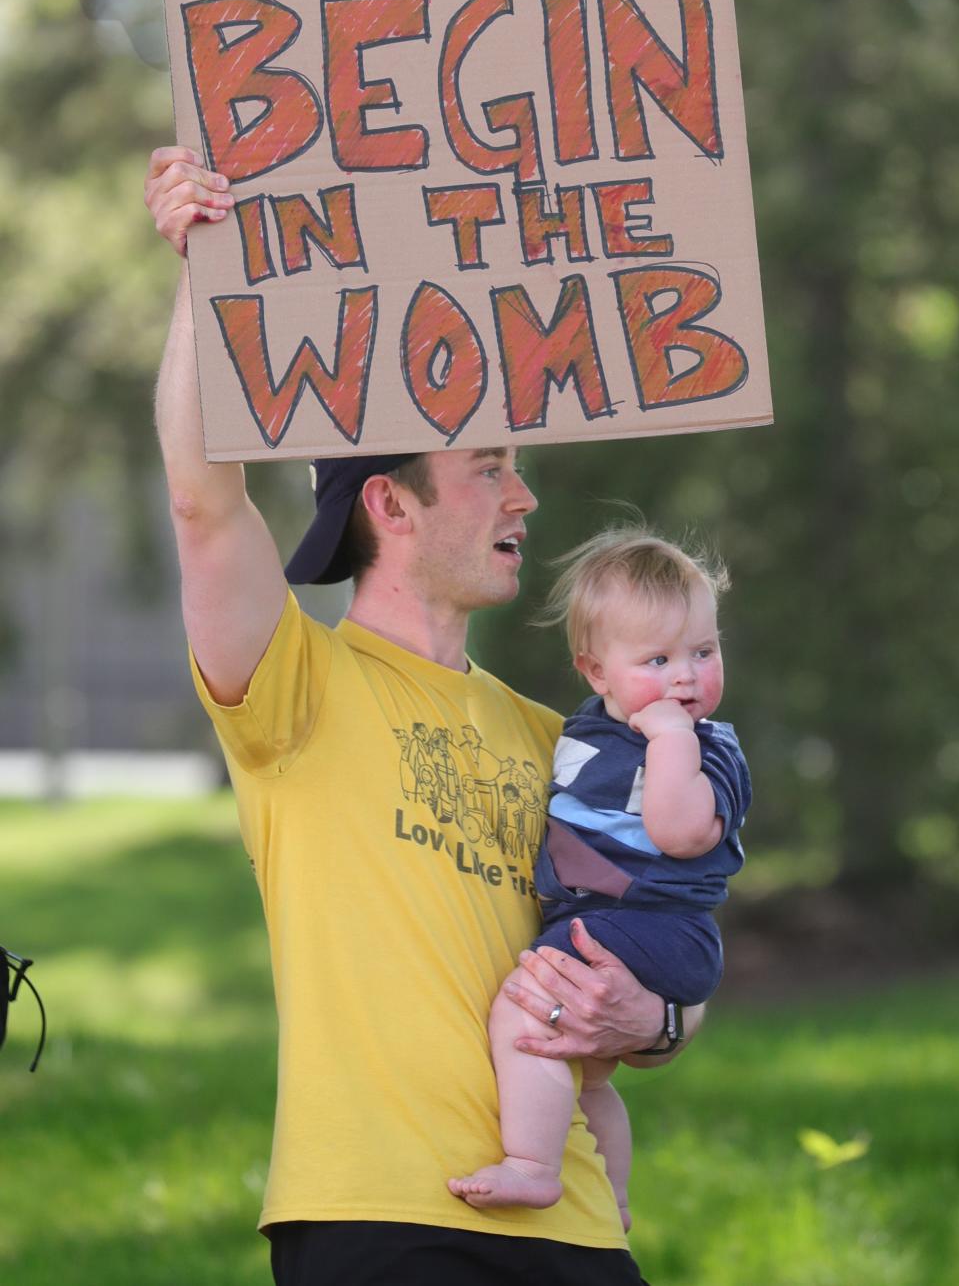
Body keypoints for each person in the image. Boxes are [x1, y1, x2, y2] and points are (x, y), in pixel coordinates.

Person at [145, 145, 705, 1286]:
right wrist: (208, 264)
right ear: (391, 504)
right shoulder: (295, 689)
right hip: (376, 1217)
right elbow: (205, 504)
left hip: (575, 1220)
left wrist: (648, 1015)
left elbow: (674, 954)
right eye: (489, 466)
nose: (524, 495)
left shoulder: (567, 738)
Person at [449, 529, 750, 1229]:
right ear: (596, 671)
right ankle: (609, 1197)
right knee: (584, 1076)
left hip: (660, 926)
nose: (684, 676)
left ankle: (531, 1166)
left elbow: (680, 832)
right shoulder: (589, 729)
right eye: (657, 658)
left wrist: (672, 739)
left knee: (526, 1008)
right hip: (610, 919)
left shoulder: (711, 749)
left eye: (703, 652)